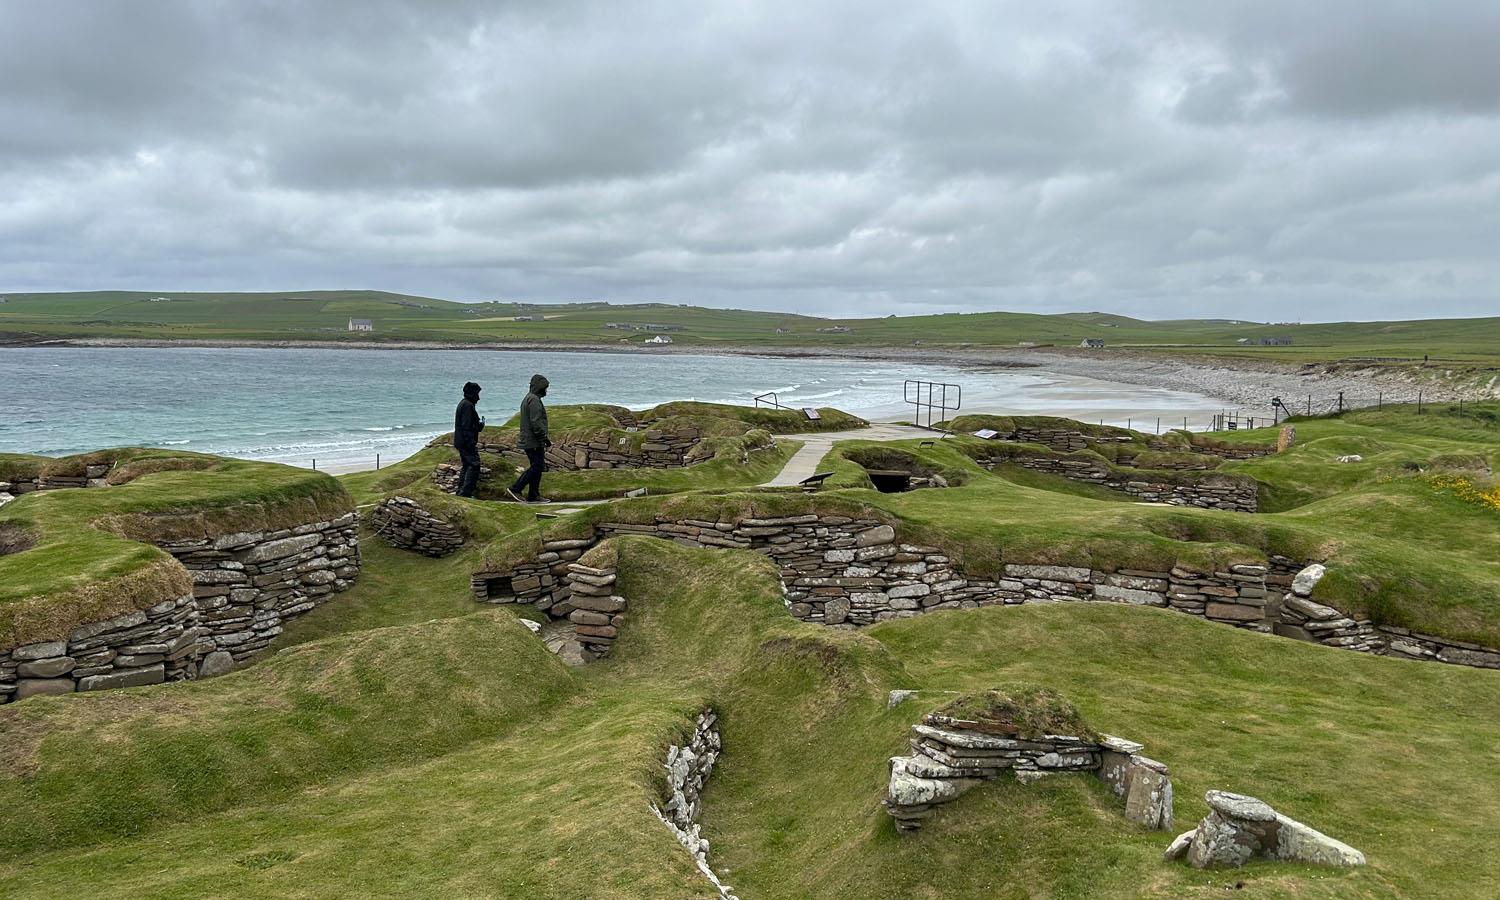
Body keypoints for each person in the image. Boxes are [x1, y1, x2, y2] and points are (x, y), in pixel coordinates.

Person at [508, 374, 551, 502]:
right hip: (533, 441)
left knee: (537, 467)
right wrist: (544, 438)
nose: (546, 391)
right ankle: (516, 488)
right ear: (539, 388)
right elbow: (536, 423)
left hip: (532, 440)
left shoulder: (529, 398)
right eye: (545, 388)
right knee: (537, 467)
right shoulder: (534, 401)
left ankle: (533, 495)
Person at [453, 381, 485, 497]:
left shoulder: (465, 404)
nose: (479, 398)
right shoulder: (467, 405)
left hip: (462, 442)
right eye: (477, 394)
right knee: (474, 465)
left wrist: (478, 425)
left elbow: (469, 424)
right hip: (466, 442)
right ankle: (465, 493)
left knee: (467, 465)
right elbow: (466, 426)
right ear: (472, 394)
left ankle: (461, 492)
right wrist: (471, 443)